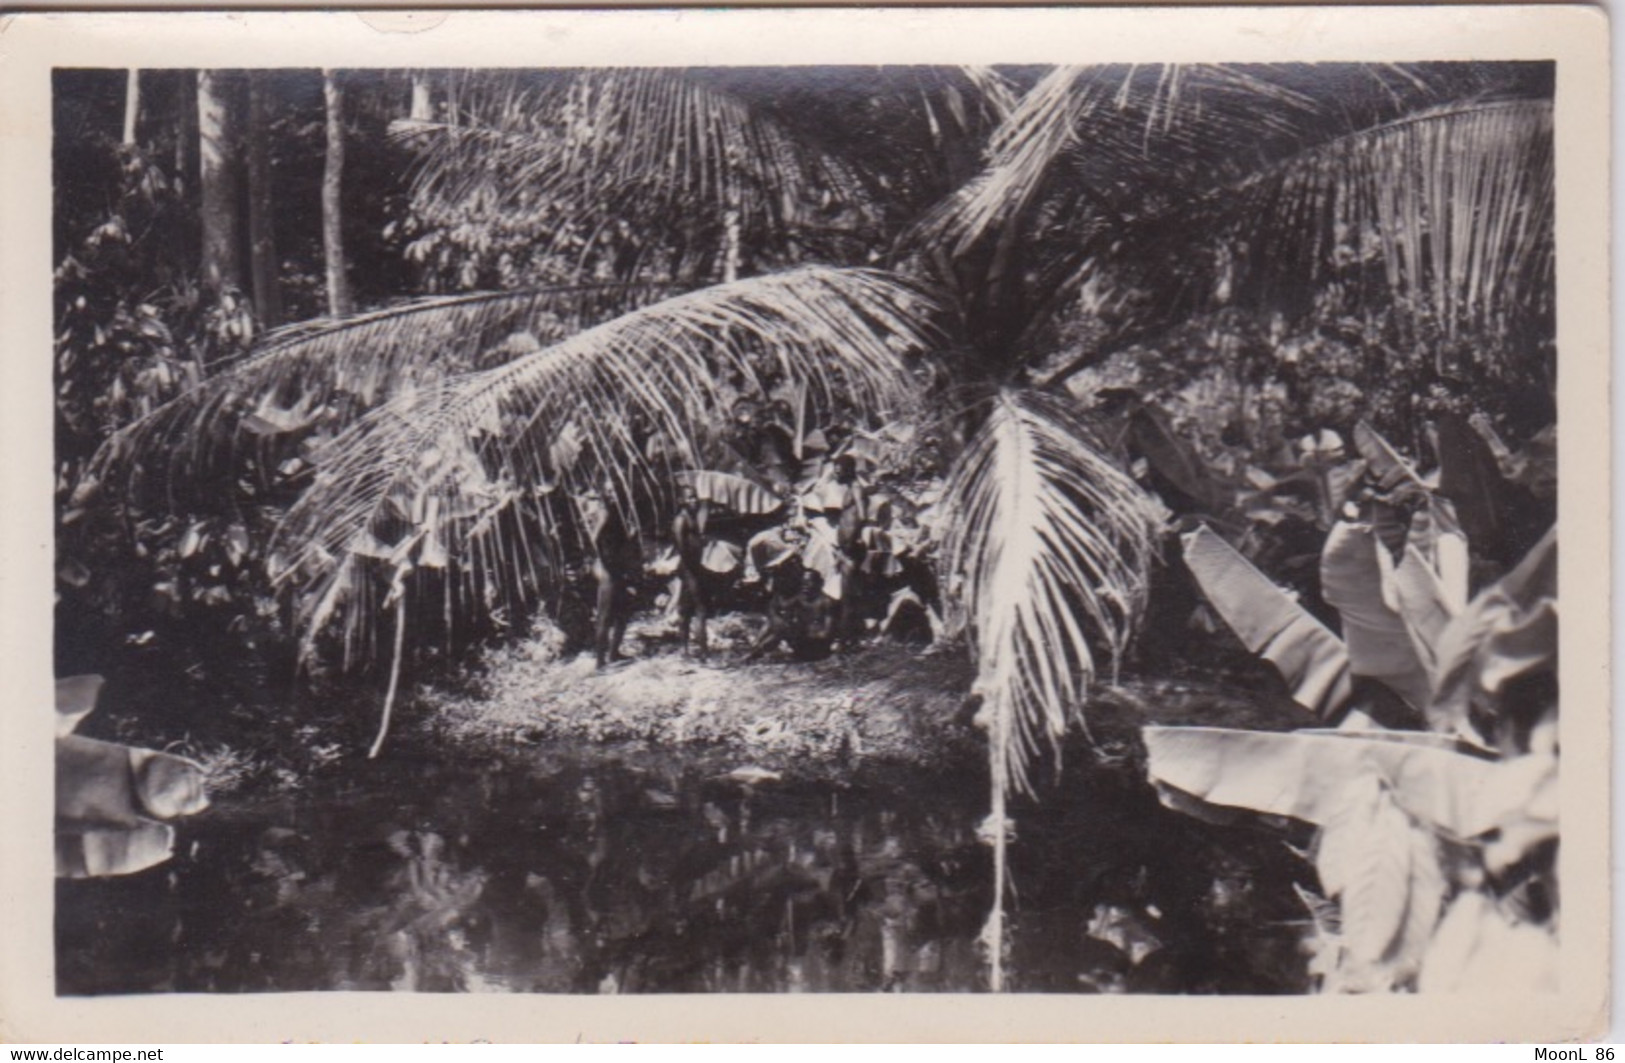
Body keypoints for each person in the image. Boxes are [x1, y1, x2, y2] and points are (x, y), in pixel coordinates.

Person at [580, 492, 637, 669]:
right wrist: (599, 559)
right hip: (609, 570)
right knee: (605, 617)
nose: (613, 494)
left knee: (622, 615)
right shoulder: (603, 513)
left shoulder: (615, 513)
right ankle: (600, 663)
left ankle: (613, 653)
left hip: (616, 569)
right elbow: (594, 538)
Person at [672, 484, 710, 661]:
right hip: (689, 569)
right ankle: (700, 651)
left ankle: (687, 649)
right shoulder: (681, 520)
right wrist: (691, 571)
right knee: (699, 609)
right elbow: (681, 547)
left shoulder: (691, 518)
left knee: (687, 611)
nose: (694, 501)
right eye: (690, 498)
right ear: (682, 501)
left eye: (695, 497)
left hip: (693, 568)